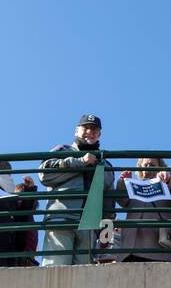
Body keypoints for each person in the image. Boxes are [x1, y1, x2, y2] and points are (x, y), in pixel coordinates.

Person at [38, 114, 115, 267]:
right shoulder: (62, 149)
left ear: (99, 133)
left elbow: (108, 199)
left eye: (94, 129)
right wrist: (80, 162)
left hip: (90, 224)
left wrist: (107, 229)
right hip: (61, 218)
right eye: (85, 127)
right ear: (76, 131)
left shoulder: (105, 163)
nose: (90, 131)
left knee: (85, 275)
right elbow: (44, 175)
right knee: (55, 268)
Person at [112, 158, 171, 262]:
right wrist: (122, 182)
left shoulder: (168, 184)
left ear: (161, 168)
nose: (148, 167)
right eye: (145, 165)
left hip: (159, 248)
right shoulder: (133, 185)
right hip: (131, 248)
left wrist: (169, 180)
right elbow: (122, 201)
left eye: (152, 165)